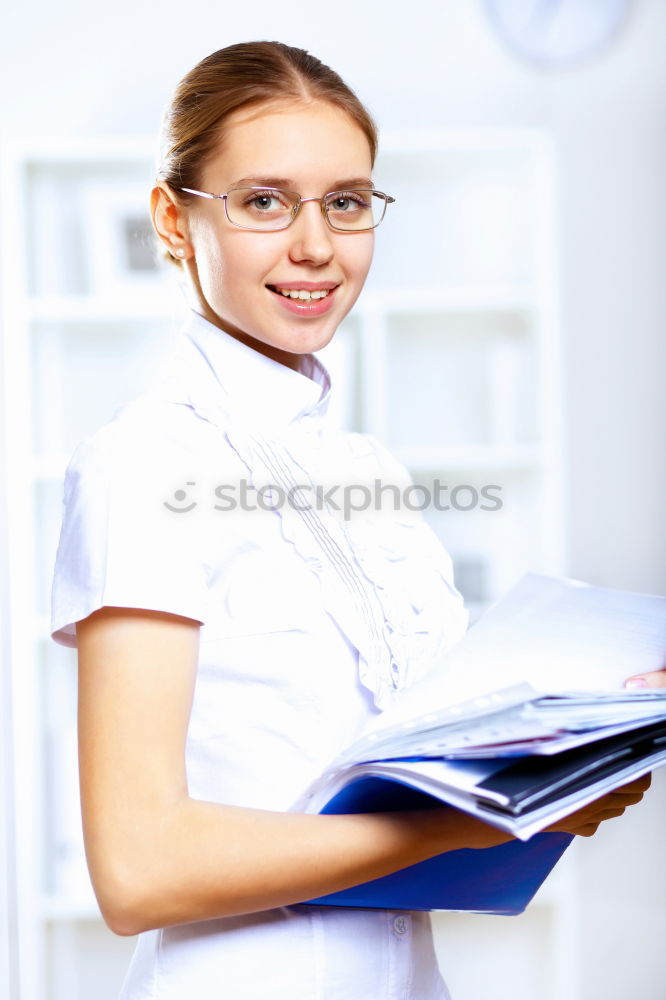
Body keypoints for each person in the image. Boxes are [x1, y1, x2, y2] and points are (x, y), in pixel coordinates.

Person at [50, 41, 657, 1000]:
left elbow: (420, 765)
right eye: (262, 201)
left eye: (345, 201)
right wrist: (455, 824)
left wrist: (575, 754)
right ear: (173, 219)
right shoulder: (146, 464)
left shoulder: (367, 472)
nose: (316, 246)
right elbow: (139, 867)